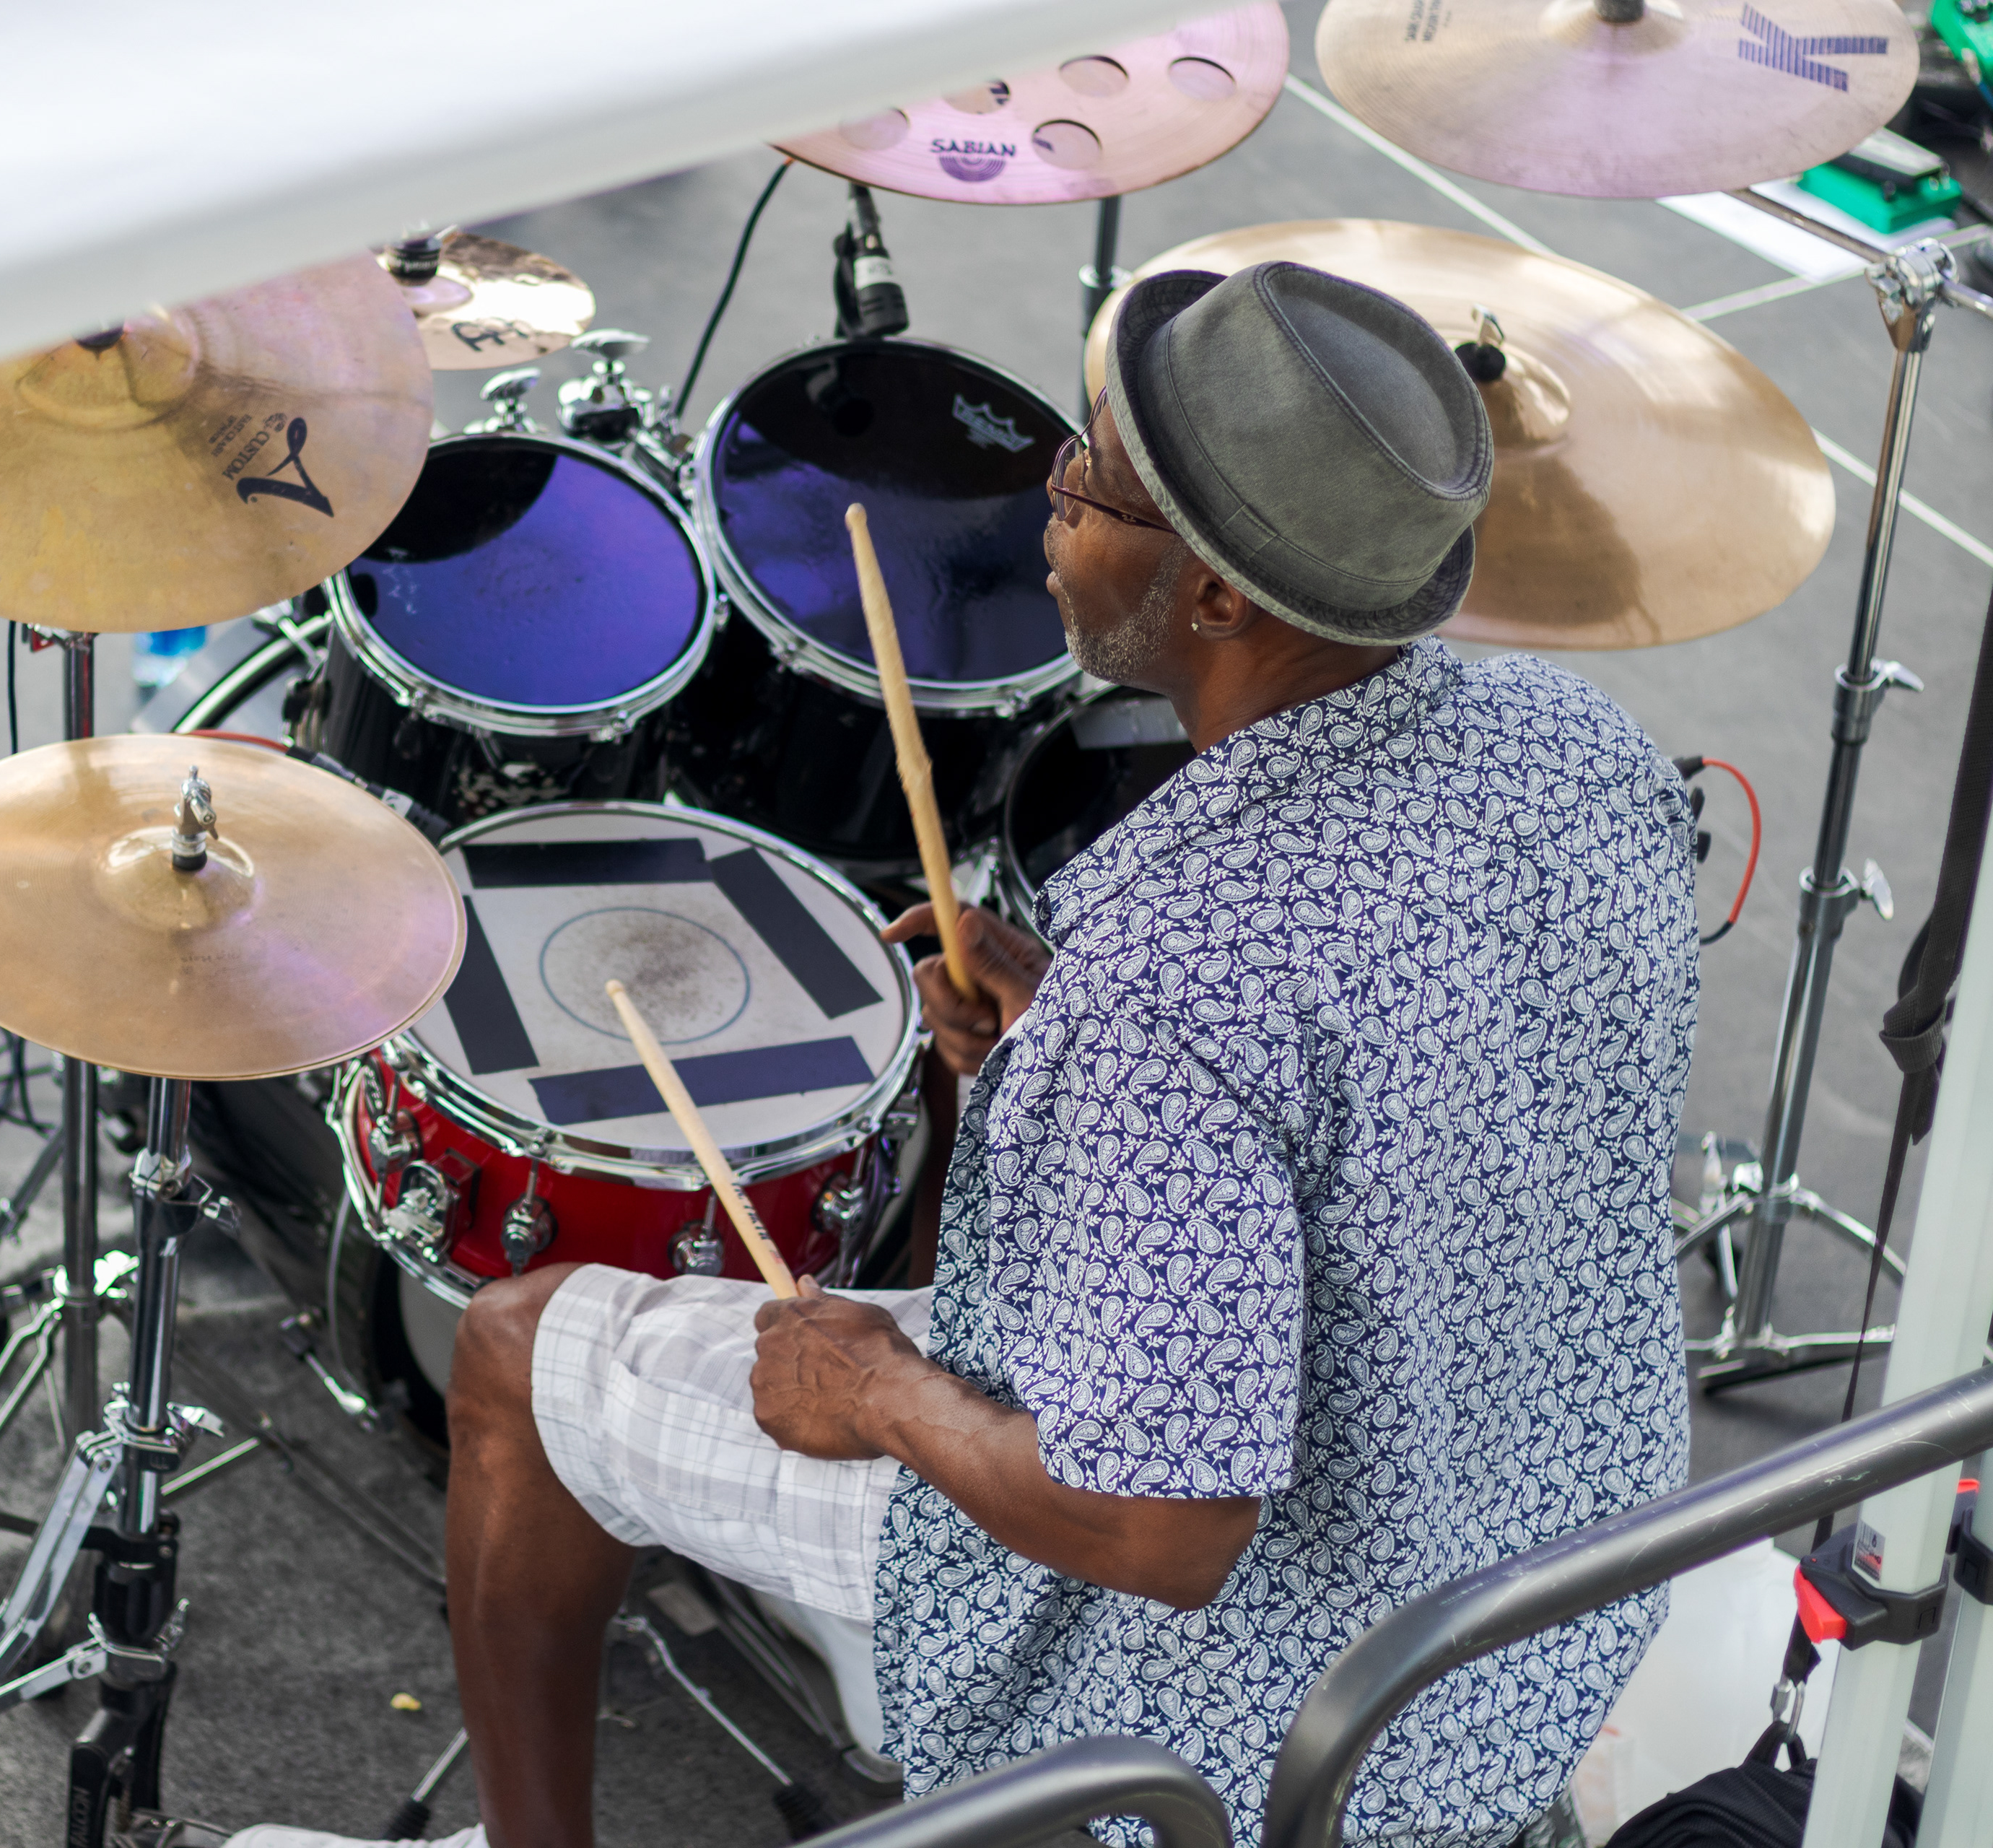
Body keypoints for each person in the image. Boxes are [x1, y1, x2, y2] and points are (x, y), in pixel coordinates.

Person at [223, 262, 1699, 1848]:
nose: (1046, 503)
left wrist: (880, 1386)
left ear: (1218, 598)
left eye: (1093, 480)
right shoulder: (1578, 746)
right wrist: (1072, 1039)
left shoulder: (1186, 977)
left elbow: (1164, 1524)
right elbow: (1403, 1091)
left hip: (1252, 1692)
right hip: (1543, 1588)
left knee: (517, 1348)